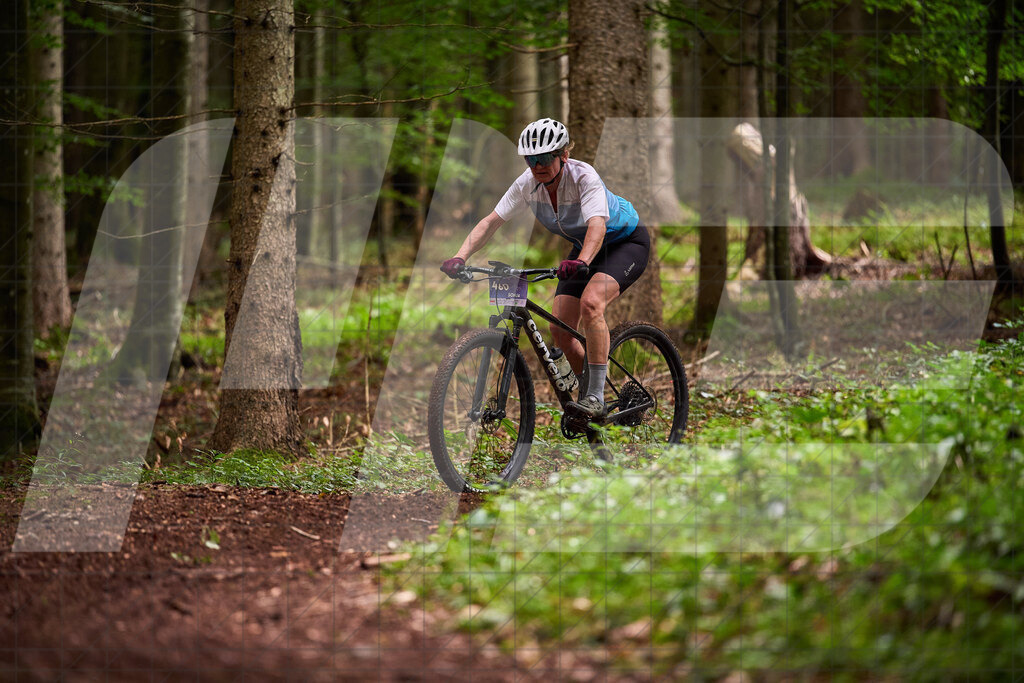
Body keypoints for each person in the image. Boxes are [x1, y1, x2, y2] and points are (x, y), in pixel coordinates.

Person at [440, 118, 650, 418]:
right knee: (559, 329)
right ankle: (591, 396)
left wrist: (582, 262)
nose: (537, 165)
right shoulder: (527, 184)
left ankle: (596, 396)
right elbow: (491, 222)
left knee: (591, 304)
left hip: (625, 242)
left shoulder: (584, 177)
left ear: (563, 155)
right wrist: (459, 256)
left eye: (544, 158)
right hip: (585, 248)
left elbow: (597, 225)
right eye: (531, 159)